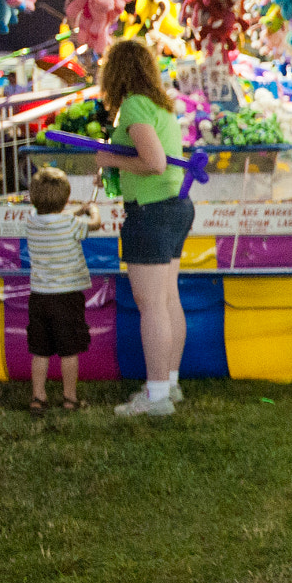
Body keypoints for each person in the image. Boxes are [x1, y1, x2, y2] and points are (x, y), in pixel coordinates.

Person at [93, 39, 190, 419]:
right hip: (175, 206)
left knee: (152, 307)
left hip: (149, 212)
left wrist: (108, 158)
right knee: (168, 301)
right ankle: (168, 383)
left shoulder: (133, 105)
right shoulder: (160, 105)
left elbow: (153, 162)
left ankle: (156, 397)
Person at [22, 165, 93, 414]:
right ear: (65, 199)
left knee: (40, 351)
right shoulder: (71, 223)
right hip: (67, 297)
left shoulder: (31, 221)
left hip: (39, 297)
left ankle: (38, 397)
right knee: (68, 351)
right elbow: (94, 225)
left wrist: (75, 211)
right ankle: (69, 398)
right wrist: (91, 211)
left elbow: (52, 217)